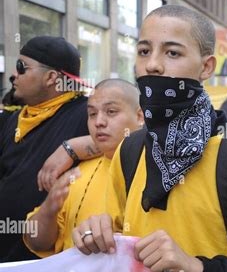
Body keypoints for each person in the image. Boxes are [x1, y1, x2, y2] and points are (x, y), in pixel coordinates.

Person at [72, 5, 227, 272]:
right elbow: (116, 253)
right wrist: (96, 237)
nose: (152, 65)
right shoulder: (129, 151)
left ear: (206, 67)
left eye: (172, 53)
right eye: (144, 51)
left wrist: (197, 270)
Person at [23, 79, 144, 257]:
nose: (99, 122)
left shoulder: (158, 170)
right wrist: (49, 209)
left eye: (111, 112)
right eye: (92, 114)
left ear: (140, 117)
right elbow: (37, 242)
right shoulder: (77, 175)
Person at [0, 36, 91, 262]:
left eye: (22, 67)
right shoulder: (15, 119)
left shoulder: (85, 113)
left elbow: (127, 136)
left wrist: (72, 147)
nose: (14, 74)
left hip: (41, 264)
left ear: (51, 78)